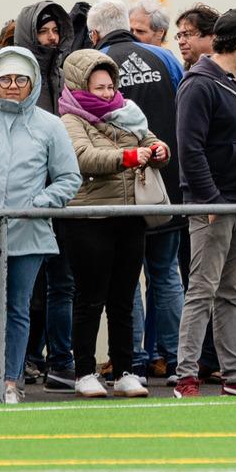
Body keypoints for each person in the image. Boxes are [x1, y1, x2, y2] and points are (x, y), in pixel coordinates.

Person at [0, 45, 80, 406]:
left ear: (32, 83)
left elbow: (68, 177)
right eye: (5, 79)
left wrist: (40, 204)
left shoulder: (50, 124)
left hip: (29, 234)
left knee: (17, 308)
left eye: (20, 80)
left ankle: (11, 381)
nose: (12, 86)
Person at [58, 49, 167, 398]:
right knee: (89, 298)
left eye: (110, 86)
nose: (106, 93)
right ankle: (85, 372)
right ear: (78, 85)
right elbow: (83, 157)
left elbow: (149, 139)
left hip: (129, 217)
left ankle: (125, 371)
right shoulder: (69, 119)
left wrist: (160, 149)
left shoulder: (127, 112)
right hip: (88, 219)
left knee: (124, 298)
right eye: (98, 87)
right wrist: (128, 157)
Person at [174, 9, 236, 397]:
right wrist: (209, 197)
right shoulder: (199, 85)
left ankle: (234, 375)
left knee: (232, 291)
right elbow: (190, 148)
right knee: (202, 288)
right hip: (214, 206)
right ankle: (186, 375)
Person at [91, 0, 185, 381]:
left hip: (120, 188)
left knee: (126, 278)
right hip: (166, 182)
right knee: (166, 273)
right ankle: (175, 356)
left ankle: (132, 358)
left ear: (95, 32)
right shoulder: (165, 58)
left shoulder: (95, 64)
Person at [14, 0, 75, 387]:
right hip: (25, 203)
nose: (51, 38)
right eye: (43, 31)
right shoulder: (13, 77)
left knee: (63, 284)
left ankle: (61, 361)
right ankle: (23, 360)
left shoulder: (67, 74)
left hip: (63, 198)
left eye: (56, 31)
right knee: (28, 290)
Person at [174, 3, 220, 70]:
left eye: (186, 34)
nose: (180, 42)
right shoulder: (183, 75)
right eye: (179, 36)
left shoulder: (231, 73)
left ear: (212, 36)